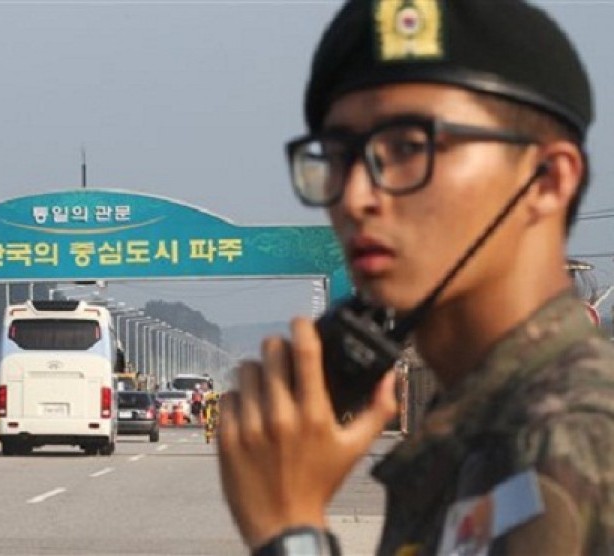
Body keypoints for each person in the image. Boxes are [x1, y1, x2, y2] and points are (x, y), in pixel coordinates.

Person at [217, 1, 614, 555]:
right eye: (337, 156)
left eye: (406, 148)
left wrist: (291, 531)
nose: (355, 196)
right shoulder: (481, 424)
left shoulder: (566, 445)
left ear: (548, 179)